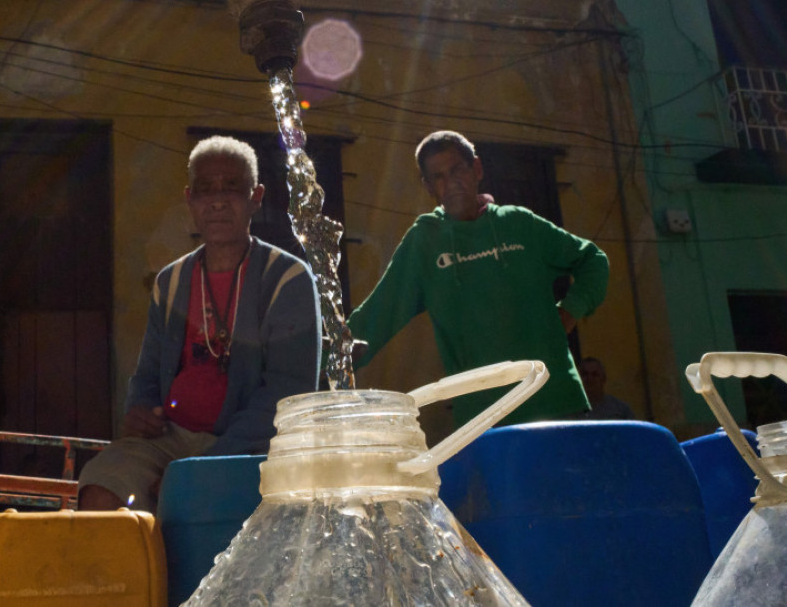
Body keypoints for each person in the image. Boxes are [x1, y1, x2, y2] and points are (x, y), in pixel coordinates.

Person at [78, 136, 321, 513]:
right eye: (206, 190)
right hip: (172, 438)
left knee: (192, 504)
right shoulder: (171, 281)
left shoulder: (286, 279)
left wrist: (195, 472)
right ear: (190, 199)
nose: (218, 201)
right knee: (101, 489)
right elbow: (147, 375)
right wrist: (141, 408)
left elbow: (287, 394)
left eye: (232, 187)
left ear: (256, 197)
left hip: (249, 445)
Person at [347, 130, 609, 427]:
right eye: (439, 176)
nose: (452, 182)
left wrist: (570, 311)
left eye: (458, 169)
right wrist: (324, 358)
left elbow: (593, 261)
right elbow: (377, 316)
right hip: (485, 416)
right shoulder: (424, 243)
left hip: (557, 402)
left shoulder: (519, 224)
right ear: (428, 186)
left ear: (477, 169)